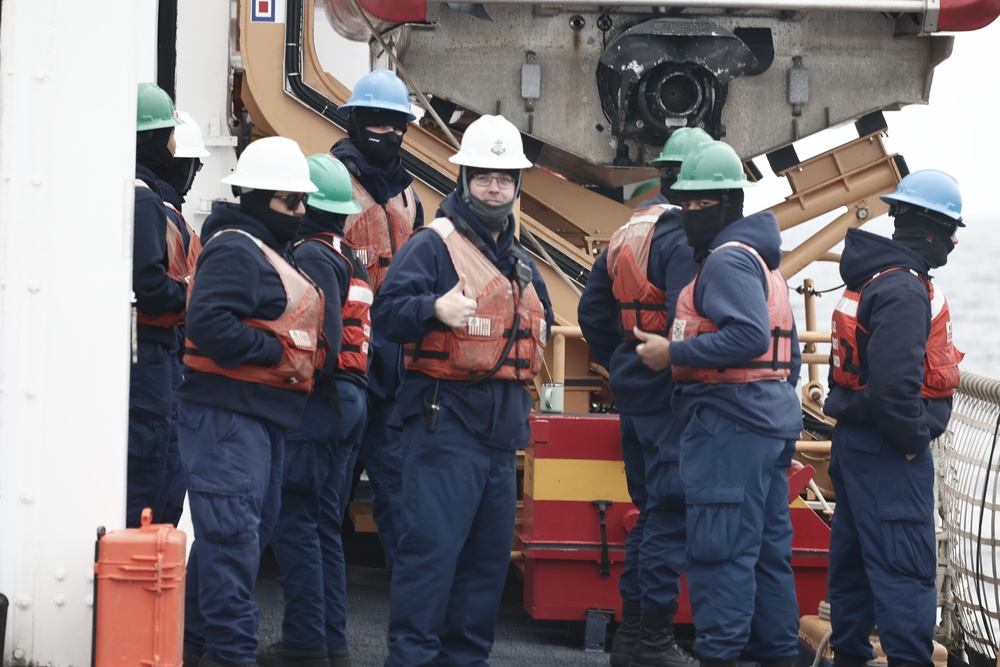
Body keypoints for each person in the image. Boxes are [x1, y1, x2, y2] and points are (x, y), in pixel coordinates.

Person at [371, 114, 553, 667]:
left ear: (517, 185)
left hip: (501, 437)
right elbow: (386, 316)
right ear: (464, 180)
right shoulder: (433, 246)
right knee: (430, 560)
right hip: (442, 425)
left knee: (485, 568)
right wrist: (431, 309)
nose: (493, 188)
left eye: (503, 178)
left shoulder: (522, 262)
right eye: (482, 177)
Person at [633, 140, 802, 667]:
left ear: (729, 204)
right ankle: (776, 656)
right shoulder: (761, 262)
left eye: (700, 205)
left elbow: (750, 336)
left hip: (729, 427)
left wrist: (673, 352)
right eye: (685, 204)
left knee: (720, 556)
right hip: (768, 424)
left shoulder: (727, 263)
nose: (688, 215)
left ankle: (721, 658)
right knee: (768, 557)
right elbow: (788, 355)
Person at [177, 136, 321, 667]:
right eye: (291, 203)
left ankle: (195, 649)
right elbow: (209, 322)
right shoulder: (238, 248)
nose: (301, 213)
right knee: (233, 543)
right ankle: (229, 656)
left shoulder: (260, 248)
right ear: (258, 198)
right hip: (228, 420)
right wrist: (274, 350)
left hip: (258, 419)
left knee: (236, 540)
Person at [577, 127, 712, 667]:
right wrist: (674, 364)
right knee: (669, 514)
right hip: (670, 396)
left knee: (650, 512)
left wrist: (622, 363)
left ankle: (633, 638)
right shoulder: (681, 236)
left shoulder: (629, 228)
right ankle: (651, 639)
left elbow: (591, 314)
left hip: (635, 394)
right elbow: (688, 314)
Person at [824, 169, 964, 667]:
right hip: (889, 453)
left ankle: (850, 657)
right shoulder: (906, 290)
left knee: (855, 568)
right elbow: (894, 388)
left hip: (855, 446)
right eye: (951, 228)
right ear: (930, 227)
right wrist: (911, 440)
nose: (951, 240)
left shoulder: (874, 278)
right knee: (905, 572)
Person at [258, 155, 371, 667]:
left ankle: (306, 642)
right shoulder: (351, 255)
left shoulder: (312, 254)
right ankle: (330, 644)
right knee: (324, 524)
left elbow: (319, 338)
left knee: (296, 522)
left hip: (322, 404)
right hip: (352, 401)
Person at [332, 69, 423, 575]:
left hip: (391, 369)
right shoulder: (330, 184)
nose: (388, 133)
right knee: (325, 492)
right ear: (355, 121)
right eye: (377, 122)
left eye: (397, 124)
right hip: (341, 366)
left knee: (398, 490)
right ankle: (314, 612)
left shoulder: (409, 196)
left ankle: (410, 602)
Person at [129, 82, 188, 528]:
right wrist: (191, 294)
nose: (174, 144)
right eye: (168, 132)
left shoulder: (121, 191)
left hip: (139, 348)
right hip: (149, 353)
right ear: (150, 137)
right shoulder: (145, 200)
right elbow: (149, 284)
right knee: (150, 470)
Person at [154, 110, 210, 527]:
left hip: (175, 362)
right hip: (170, 363)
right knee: (166, 479)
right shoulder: (166, 218)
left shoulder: (171, 218)